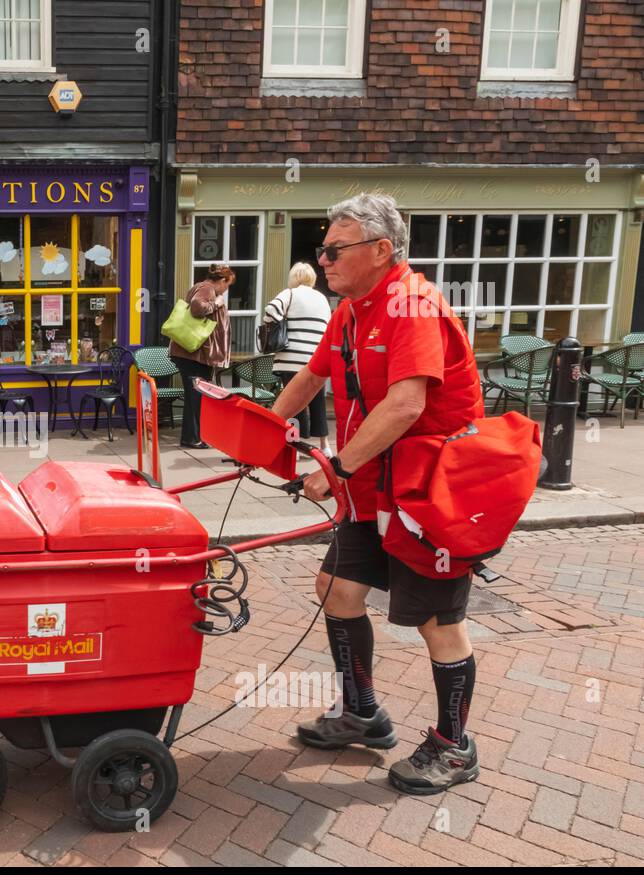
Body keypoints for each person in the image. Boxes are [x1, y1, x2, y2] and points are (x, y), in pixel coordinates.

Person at [270, 193, 486, 795]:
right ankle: (362, 711)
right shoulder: (350, 309)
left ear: (380, 250)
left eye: (335, 249)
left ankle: (454, 745)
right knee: (336, 588)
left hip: (426, 494)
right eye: (323, 250)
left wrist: (335, 468)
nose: (324, 258)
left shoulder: (411, 304)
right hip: (373, 487)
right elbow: (312, 375)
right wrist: (262, 431)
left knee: (439, 620)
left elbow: (407, 402)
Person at [262, 262, 333, 453]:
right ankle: (324, 445)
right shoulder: (321, 298)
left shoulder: (290, 293)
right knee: (317, 401)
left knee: (295, 402)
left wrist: (277, 323)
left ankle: (297, 445)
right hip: (316, 358)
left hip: (291, 357)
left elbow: (271, 310)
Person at [169, 265, 234, 449]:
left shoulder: (202, 287)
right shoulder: (207, 289)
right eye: (227, 285)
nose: (226, 290)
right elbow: (197, 308)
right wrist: (218, 304)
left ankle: (193, 436)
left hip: (192, 354)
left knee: (195, 396)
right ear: (222, 280)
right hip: (194, 355)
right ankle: (193, 438)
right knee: (197, 397)